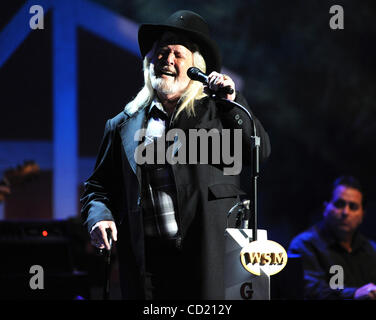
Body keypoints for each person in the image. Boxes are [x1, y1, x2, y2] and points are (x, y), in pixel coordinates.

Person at [81, 10, 271, 300]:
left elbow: (258, 152)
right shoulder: (123, 125)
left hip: (209, 261)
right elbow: (97, 188)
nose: (167, 60)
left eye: (177, 54)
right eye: (161, 53)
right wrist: (100, 217)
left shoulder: (218, 113)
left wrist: (232, 103)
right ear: (149, 63)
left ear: (195, 66)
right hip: (149, 267)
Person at [288, 176, 376, 300]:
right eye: (339, 204)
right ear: (325, 208)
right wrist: (354, 294)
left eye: (353, 207)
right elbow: (309, 289)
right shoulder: (305, 244)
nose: (346, 212)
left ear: (362, 215)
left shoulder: (370, 248)